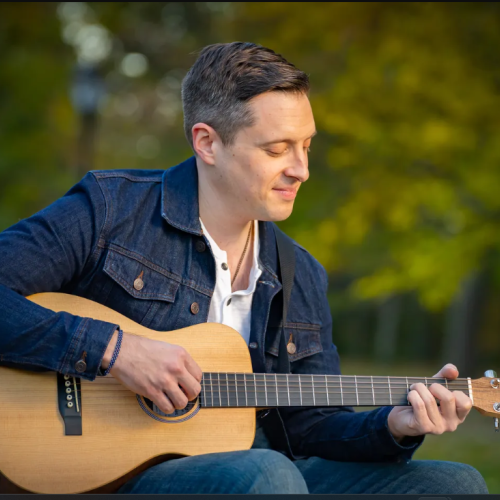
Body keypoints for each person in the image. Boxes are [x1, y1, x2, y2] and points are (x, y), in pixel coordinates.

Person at [0, 42, 489, 495]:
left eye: (307, 146)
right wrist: (114, 349)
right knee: (267, 473)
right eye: (278, 150)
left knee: (455, 484)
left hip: (265, 474)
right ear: (207, 143)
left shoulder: (300, 273)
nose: (301, 169)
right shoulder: (111, 209)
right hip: (119, 473)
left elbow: (312, 426)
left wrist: (395, 425)